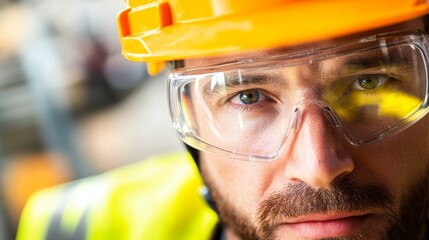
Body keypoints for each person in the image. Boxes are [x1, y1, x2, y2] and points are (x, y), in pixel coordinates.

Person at [16, 0, 429, 239]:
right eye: (248, 96)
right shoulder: (74, 229)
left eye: (369, 82)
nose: (318, 166)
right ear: (190, 112)